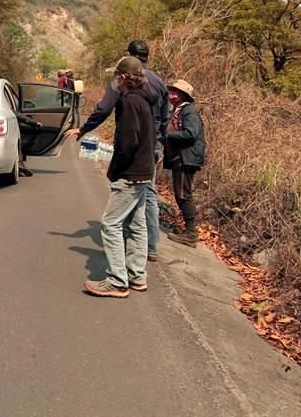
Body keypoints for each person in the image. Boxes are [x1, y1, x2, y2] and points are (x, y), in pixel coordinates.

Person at [64, 57, 156, 298]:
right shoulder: (146, 100)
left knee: (111, 224)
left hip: (131, 173)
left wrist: (116, 169)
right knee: (137, 224)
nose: (116, 81)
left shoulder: (129, 102)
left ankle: (117, 280)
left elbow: (128, 142)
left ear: (124, 78)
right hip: (146, 170)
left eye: (118, 76)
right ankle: (137, 276)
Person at [125, 40, 169, 262]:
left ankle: (130, 242)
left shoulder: (127, 78)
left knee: (126, 190)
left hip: (136, 143)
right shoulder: (160, 83)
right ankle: (151, 246)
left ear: (130, 55)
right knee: (149, 194)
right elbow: (165, 118)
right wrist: (159, 142)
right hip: (154, 145)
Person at [164, 79, 207, 247]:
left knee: (183, 194)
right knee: (181, 193)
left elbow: (190, 134)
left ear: (184, 96)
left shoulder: (189, 112)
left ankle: (191, 233)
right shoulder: (178, 111)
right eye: (171, 92)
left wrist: (168, 134)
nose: (172, 95)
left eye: (176, 93)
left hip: (186, 158)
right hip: (181, 157)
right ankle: (188, 230)